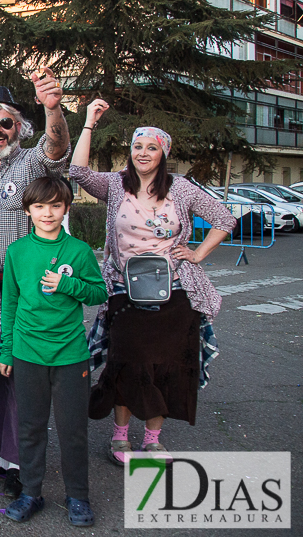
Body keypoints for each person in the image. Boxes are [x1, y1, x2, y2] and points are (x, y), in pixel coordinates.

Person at [69, 101, 235, 463]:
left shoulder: (182, 189)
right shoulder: (116, 184)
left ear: (163, 153)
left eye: (151, 147)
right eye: (137, 146)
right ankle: (119, 438)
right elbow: (78, 171)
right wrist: (88, 125)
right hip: (125, 291)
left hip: (174, 292)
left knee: (167, 366)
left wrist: (198, 253)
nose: (143, 153)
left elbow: (224, 217)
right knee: (126, 362)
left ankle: (154, 440)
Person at [0, 69, 72, 495]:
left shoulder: (31, 162)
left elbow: (57, 147)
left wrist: (52, 108)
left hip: (22, 286)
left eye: (7, 122)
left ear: (19, 127)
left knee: (21, 372)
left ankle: (20, 462)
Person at [0, 176, 106, 526]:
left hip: (71, 355)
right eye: (40, 206)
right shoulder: (17, 252)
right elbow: (10, 305)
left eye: (56, 205)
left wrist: (68, 284)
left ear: (66, 208)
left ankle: (78, 496)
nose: (48, 213)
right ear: (28, 210)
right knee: (30, 427)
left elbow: (98, 293)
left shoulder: (79, 251)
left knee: (72, 428)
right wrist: (6, 352)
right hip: (28, 354)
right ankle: (31, 492)